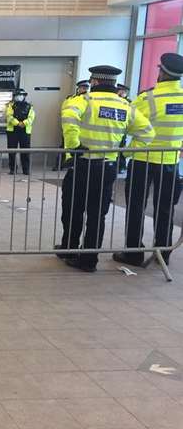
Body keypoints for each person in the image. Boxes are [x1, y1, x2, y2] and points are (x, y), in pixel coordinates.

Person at [56, 65, 154, 273]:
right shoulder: (126, 106)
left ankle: (69, 249)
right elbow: (147, 133)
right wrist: (124, 153)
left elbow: (68, 118)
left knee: (73, 208)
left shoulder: (84, 101)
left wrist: (74, 146)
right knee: (97, 214)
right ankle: (89, 260)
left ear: (94, 81)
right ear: (114, 83)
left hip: (82, 164)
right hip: (107, 168)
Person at [114, 53, 183, 268]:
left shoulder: (148, 99)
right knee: (165, 209)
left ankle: (133, 252)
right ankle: (163, 253)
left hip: (143, 160)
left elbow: (129, 123)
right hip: (170, 161)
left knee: (136, 207)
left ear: (162, 73)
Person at [54, 80, 91, 170]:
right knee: (64, 146)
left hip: (81, 129)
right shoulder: (70, 99)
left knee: (78, 147)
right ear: (78, 88)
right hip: (69, 126)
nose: (84, 89)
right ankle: (59, 165)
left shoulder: (90, 99)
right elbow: (64, 111)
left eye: (86, 88)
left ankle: (73, 163)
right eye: (82, 88)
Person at [5, 88, 35, 175]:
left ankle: (26, 169)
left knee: (25, 151)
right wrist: (18, 123)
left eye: (20, 95)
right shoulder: (10, 106)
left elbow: (31, 117)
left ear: (24, 96)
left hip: (25, 131)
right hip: (12, 131)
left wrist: (24, 123)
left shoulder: (29, 106)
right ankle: (12, 169)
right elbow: (9, 116)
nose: (19, 97)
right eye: (17, 95)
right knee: (12, 151)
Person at [116, 83, 132, 174]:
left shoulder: (129, 102)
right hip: (114, 126)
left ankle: (121, 165)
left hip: (123, 127)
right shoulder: (114, 100)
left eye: (123, 91)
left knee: (121, 146)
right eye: (120, 91)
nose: (121, 93)